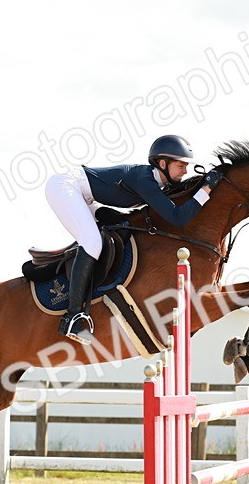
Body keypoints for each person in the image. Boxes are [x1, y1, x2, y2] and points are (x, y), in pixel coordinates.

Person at [44, 135, 223, 342]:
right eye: (181, 165)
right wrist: (206, 189)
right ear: (163, 163)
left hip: (86, 196)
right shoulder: (145, 179)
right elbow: (178, 217)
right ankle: (73, 317)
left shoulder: (158, 183)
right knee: (92, 243)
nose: (185, 171)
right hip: (66, 187)